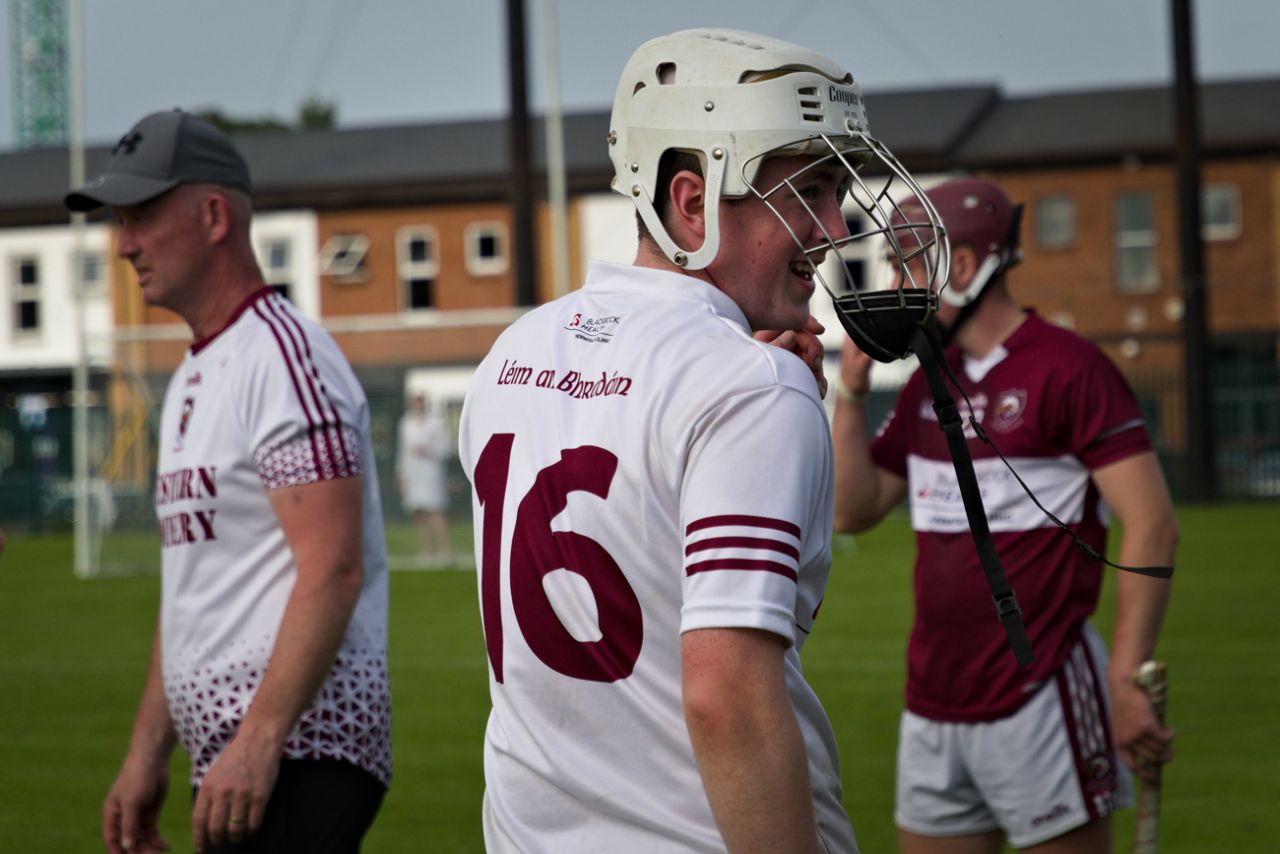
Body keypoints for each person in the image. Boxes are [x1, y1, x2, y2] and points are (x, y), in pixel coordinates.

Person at [458, 28, 943, 854]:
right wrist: (763, 398)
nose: (834, 226)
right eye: (812, 190)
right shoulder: (752, 385)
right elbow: (726, 693)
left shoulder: (515, 351)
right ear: (693, 202)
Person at [67, 110, 391, 854]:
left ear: (213, 216)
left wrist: (260, 741)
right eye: (119, 221)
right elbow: (192, 592)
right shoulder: (191, 376)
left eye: (141, 215)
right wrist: (148, 753)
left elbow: (333, 568)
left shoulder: (280, 358)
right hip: (244, 757)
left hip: (304, 750)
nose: (123, 245)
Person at [831, 176, 1178, 853]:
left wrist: (1126, 675)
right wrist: (848, 390)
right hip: (931, 700)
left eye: (909, 261)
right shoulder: (930, 378)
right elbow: (853, 510)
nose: (898, 281)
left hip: (1041, 689)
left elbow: (1153, 522)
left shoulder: (1069, 368)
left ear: (961, 266)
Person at [396, 392, 454, 566]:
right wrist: (401, 475)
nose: (418, 406)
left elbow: (446, 447)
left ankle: (446, 552)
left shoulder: (435, 422)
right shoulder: (405, 423)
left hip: (431, 472)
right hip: (414, 473)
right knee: (420, 512)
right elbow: (403, 451)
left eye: (421, 403)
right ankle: (426, 552)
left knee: (436, 510)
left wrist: (429, 450)